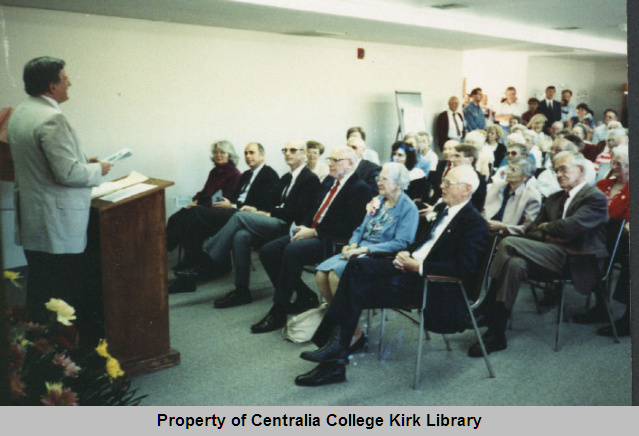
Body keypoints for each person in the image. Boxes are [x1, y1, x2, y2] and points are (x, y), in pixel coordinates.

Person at [293, 165, 487, 386]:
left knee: (353, 289)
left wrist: (418, 266)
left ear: (466, 189)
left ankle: (333, 356)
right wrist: (407, 253)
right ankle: (335, 350)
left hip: (430, 285)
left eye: (448, 183)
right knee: (355, 267)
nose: (441, 185)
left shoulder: (474, 223)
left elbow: (463, 268)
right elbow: (426, 244)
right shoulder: (444, 209)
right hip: (409, 269)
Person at [7, 56, 113, 347]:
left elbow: (41, 163)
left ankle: (37, 344)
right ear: (52, 86)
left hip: (34, 215)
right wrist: (97, 169)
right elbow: (67, 173)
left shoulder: (22, 113)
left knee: (40, 285)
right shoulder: (53, 118)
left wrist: (81, 161)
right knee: (61, 291)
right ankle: (60, 353)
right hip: (57, 221)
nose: (70, 83)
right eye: (66, 79)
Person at [470, 151, 608, 357]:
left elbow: (570, 227)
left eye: (563, 169)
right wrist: (551, 234)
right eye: (556, 170)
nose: (559, 174)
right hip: (550, 254)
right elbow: (531, 230)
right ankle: (497, 331)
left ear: (580, 170)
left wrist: (548, 228)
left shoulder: (594, 197)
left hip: (577, 259)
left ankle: (487, 306)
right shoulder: (553, 198)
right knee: (515, 264)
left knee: (508, 243)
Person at [171, 139, 321, 300]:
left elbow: (297, 213)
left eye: (293, 150)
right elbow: (273, 204)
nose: (288, 154)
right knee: (240, 236)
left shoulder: (309, 179)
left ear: (304, 154)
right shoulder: (286, 177)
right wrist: (258, 211)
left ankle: (205, 261)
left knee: (238, 216)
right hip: (274, 220)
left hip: (289, 227)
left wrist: (267, 214)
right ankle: (242, 290)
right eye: (285, 150)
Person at [254, 146, 372, 333]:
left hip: (332, 239)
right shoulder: (328, 182)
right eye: (329, 160)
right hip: (312, 231)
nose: (330, 164)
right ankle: (304, 295)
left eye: (335, 160)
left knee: (293, 251)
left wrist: (315, 232)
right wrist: (305, 226)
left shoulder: (360, 188)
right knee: (269, 251)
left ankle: (279, 310)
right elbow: (313, 209)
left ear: (350, 164)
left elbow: (350, 226)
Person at [315, 162, 418, 318]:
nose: (379, 182)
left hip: (380, 256)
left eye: (384, 179)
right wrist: (353, 244)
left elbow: (402, 242)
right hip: (359, 249)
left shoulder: (408, 208)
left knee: (335, 276)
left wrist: (364, 249)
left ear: (398, 183)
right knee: (321, 274)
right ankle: (336, 320)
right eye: (379, 178)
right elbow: (359, 228)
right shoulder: (378, 201)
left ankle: (351, 331)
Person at [168, 142, 280, 283]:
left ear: (262, 155)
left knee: (196, 213)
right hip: (232, 210)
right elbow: (231, 197)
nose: (248, 156)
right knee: (193, 220)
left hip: (245, 215)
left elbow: (265, 205)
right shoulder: (246, 175)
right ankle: (192, 271)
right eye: (246, 153)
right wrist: (228, 203)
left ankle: (182, 257)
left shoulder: (269, 175)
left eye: (252, 153)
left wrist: (232, 205)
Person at [166, 140, 242, 263]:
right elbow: (204, 192)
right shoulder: (214, 172)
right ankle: (187, 261)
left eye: (222, 152)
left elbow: (219, 200)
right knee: (177, 216)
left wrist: (200, 204)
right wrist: (196, 200)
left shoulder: (234, 174)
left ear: (230, 155)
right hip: (206, 209)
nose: (218, 155)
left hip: (221, 213)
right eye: (216, 152)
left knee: (192, 218)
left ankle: (168, 251)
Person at [593, 147, 629, 336]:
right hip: (595, 236)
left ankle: (628, 319)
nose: (614, 167)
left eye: (620, 164)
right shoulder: (602, 184)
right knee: (591, 256)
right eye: (613, 162)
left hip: (620, 242)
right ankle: (601, 308)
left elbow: (626, 225)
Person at [483, 157, 541, 236]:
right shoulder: (497, 186)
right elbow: (484, 210)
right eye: (508, 168)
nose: (507, 172)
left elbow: (528, 229)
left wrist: (503, 227)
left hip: (506, 235)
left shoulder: (532, 196)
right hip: (484, 228)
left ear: (525, 177)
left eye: (513, 170)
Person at [449, 143, 487, 212]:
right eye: (452, 156)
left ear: (470, 160)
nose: (452, 160)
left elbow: (476, 207)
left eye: (457, 156)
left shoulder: (479, 180)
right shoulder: (452, 175)